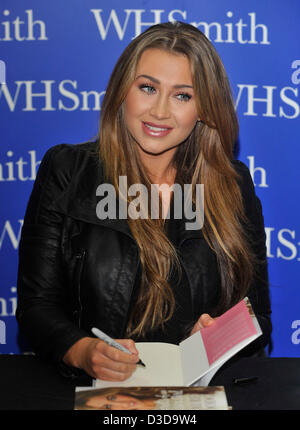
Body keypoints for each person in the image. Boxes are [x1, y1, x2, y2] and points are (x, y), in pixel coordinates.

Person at [16, 21, 272, 382]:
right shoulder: (67, 170)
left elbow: (257, 313)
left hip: (195, 394)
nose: (160, 111)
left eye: (183, 95)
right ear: (123, 91)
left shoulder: (233, 185)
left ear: (204, 109)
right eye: (148, 88)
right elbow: (36, 306)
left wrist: (217, 338)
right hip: (95, 391)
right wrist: (84, 351)